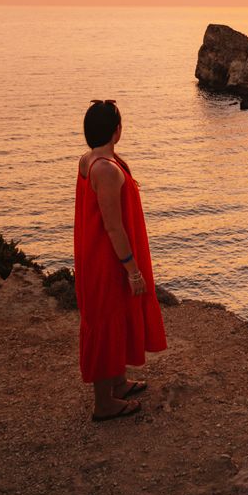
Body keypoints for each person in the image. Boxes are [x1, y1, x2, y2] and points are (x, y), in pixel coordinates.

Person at [74, 99, 167, 422]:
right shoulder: (105, 170)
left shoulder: (91, 160)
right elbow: (113, 226)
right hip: (108, 259)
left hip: (99, 254)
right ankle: (104, 403)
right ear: (117, 130)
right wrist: (132, 269)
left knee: (114, 317)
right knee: (106, 322)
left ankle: (116, 382)